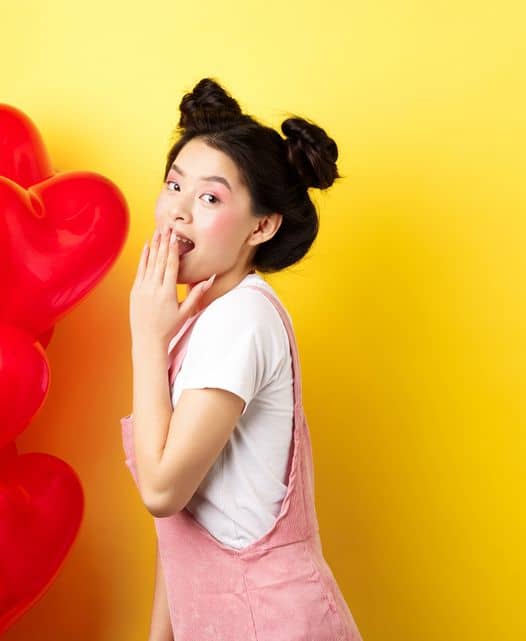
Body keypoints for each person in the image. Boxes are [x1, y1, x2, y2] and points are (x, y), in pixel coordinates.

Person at [119, 77, 363, 640]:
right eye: (173, 185)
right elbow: (187, 527)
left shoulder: (242, 319)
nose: (178, 212)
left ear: (262, 226)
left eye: (209, 198)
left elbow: (163, 492)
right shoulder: (205, 315)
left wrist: (144, 338)